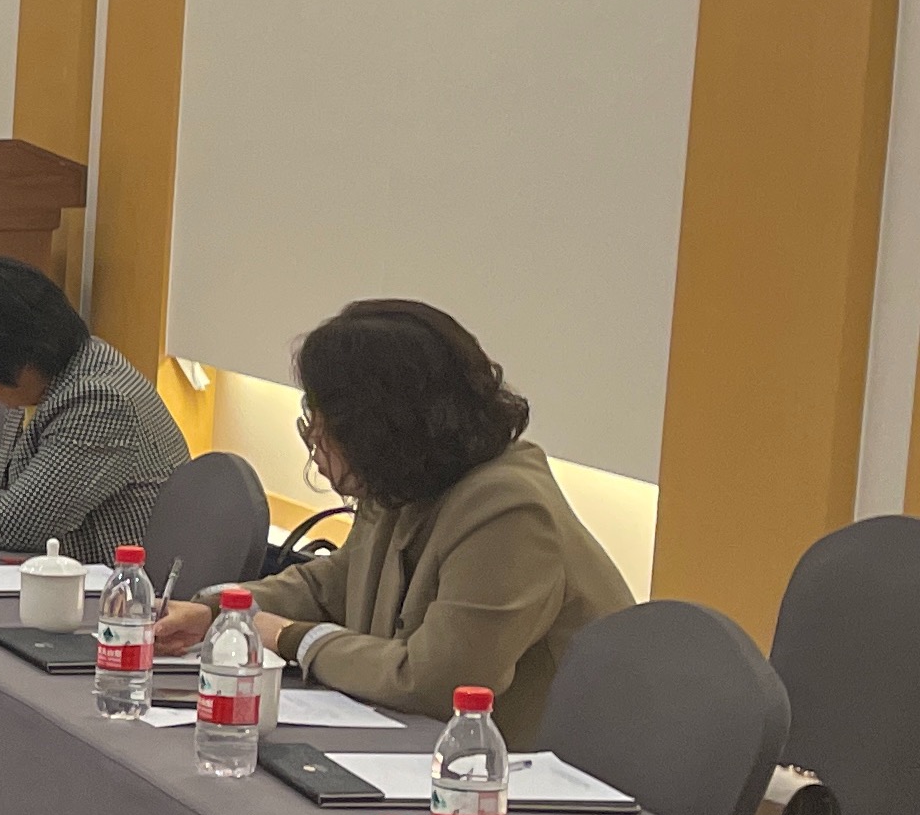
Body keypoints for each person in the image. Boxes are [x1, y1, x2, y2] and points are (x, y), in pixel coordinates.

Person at [154, 299, 633, 742]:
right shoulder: (407, 478)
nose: (315, 439)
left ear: (379, 429)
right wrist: (221, 612)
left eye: (323, 423)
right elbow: (331, 585)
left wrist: (288, 637)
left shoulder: (508, 511)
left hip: (524, 778)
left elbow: (434, 682)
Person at [0, 254, 186, 556]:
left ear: (16, 358)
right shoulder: (47, 376)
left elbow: (16, 525)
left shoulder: (100, 401)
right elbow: (7, 481)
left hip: (106, 579)